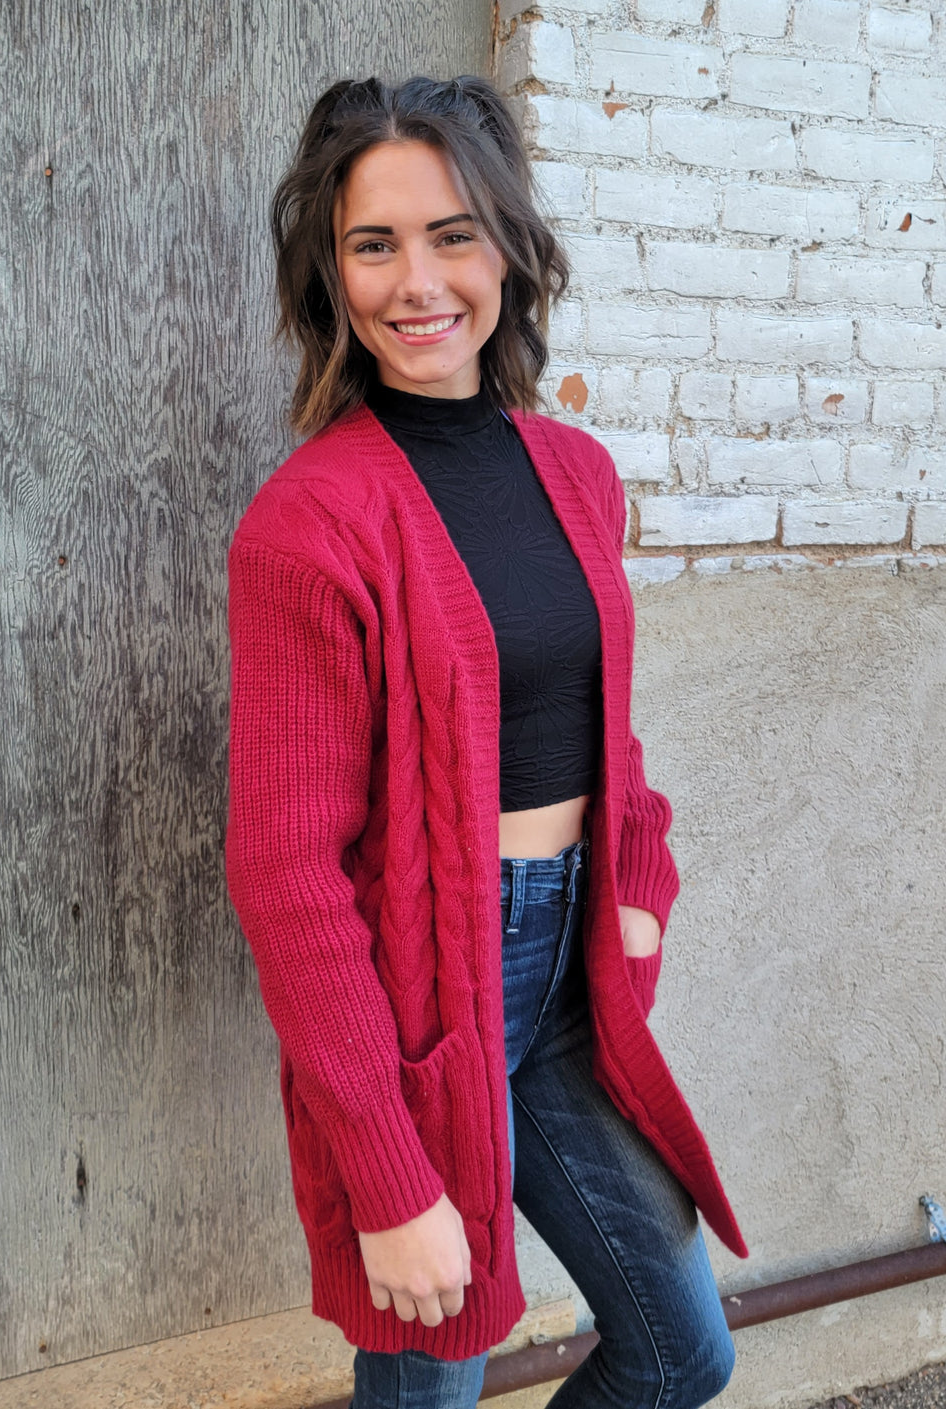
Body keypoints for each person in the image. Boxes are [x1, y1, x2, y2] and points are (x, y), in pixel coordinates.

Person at [225, 74, 747, 1409]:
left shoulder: (576, 472)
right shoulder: (309, 524)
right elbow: (286, 873)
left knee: (682, 1350)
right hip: (418, 1008)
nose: (418, 281)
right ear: (330, 274)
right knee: (432, 1383)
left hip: (568, 981)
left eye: (452, 234)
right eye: (374, 243)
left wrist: (636, 892)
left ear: (509, 247)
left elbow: (604, 727)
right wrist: (388, 1178)